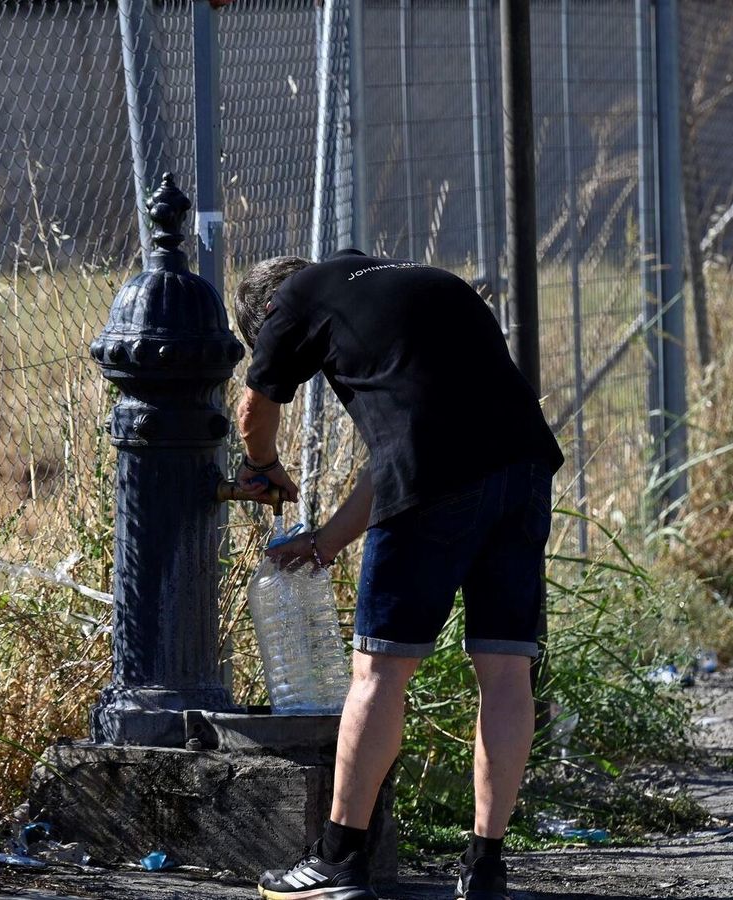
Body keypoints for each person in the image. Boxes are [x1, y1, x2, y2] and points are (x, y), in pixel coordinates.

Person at [231, 250, 563, 900]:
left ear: (265, 313)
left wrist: (264, 466)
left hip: (437, 485)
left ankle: (337, 860)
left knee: (379, 671)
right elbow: (399, 453)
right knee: (505, 669)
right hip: (524, 469)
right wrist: (326, 542)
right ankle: (486, 868)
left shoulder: (288, 304)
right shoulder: (403, 283)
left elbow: (253, 412)